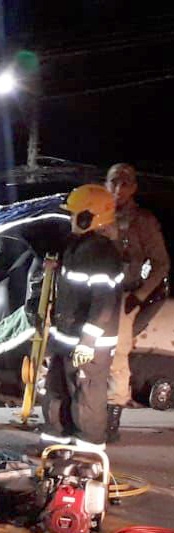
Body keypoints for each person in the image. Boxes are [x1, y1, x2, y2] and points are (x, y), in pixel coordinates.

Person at [31, 184, 122, 452]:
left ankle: (88, 453)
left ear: (89, 217)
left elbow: (104, 302)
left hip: (89, 343)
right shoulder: (76, 246)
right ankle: (55, 447)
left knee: (87, 398)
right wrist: (56, 266)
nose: (70, 219)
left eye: (74, 214)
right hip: (66, 335)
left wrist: (88, 341)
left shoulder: (103, 254)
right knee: (57, 392)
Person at [105, 163, 170, 441]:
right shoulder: (97, 213)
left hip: (123, 296)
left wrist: (140, 296)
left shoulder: (142, 221)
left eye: (125, 183)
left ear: (133, 188)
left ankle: (111, 420)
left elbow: (161, 263)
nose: (118, 189)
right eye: (113, 182)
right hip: (94, 294)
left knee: (116, 356)